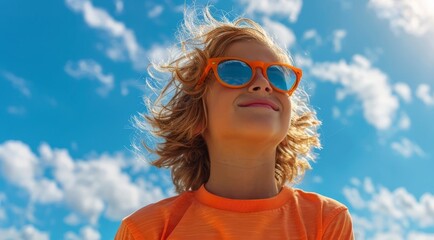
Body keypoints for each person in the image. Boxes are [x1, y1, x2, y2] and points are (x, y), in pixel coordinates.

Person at [114, 7, 354, 240]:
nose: (263, 83)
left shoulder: (326, 220)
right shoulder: (147, 230)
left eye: (277, 75)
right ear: (196, 114)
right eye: (234, 71)